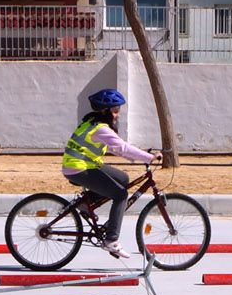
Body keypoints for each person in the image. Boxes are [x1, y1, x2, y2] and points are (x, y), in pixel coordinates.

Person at [60, 88, 159, 259]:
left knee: (123, 178)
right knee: (120, 195)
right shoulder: (101, 129)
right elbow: (122, 148)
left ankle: (85, 204)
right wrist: (149, 157)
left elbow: (118, 148)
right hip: (78, 168)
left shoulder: (91, 122)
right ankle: (111, 240)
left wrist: (141, 153)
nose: (117, 115)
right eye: (115, 111)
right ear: (105, 111)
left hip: (83, 165)